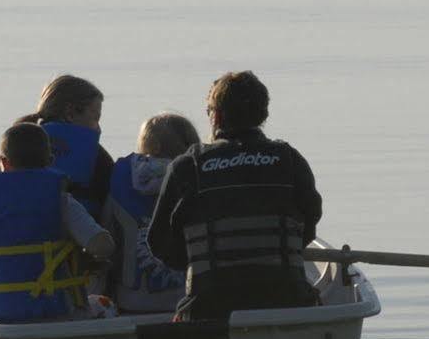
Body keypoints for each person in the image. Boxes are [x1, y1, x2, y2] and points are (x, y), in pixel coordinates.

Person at [146, 71, 322, 321]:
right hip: (288, 301)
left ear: (216, 116)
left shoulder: (188, 166)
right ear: (263, 115)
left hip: (210, 306)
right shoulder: (290, 160)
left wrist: (198, 260)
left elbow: (158, 242)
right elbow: (309, 226)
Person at [0, 121, 115, 323]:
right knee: (106, 306)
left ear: (3, 162)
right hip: (58, 313)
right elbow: (103, 246)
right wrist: (84, 257)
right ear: (50, 161)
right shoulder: (62, 202)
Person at [103, 112, 201, 313]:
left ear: (151, 146)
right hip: (185, 297)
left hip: (131, 299)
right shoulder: (196, 174)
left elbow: (107, 230)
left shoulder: (121, 176)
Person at [17, 74, 115, 214]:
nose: (99, 129)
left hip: (21, 231)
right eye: (95, 118)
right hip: (81, 234)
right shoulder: (99, 158)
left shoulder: (14, 145)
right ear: (70, 113)